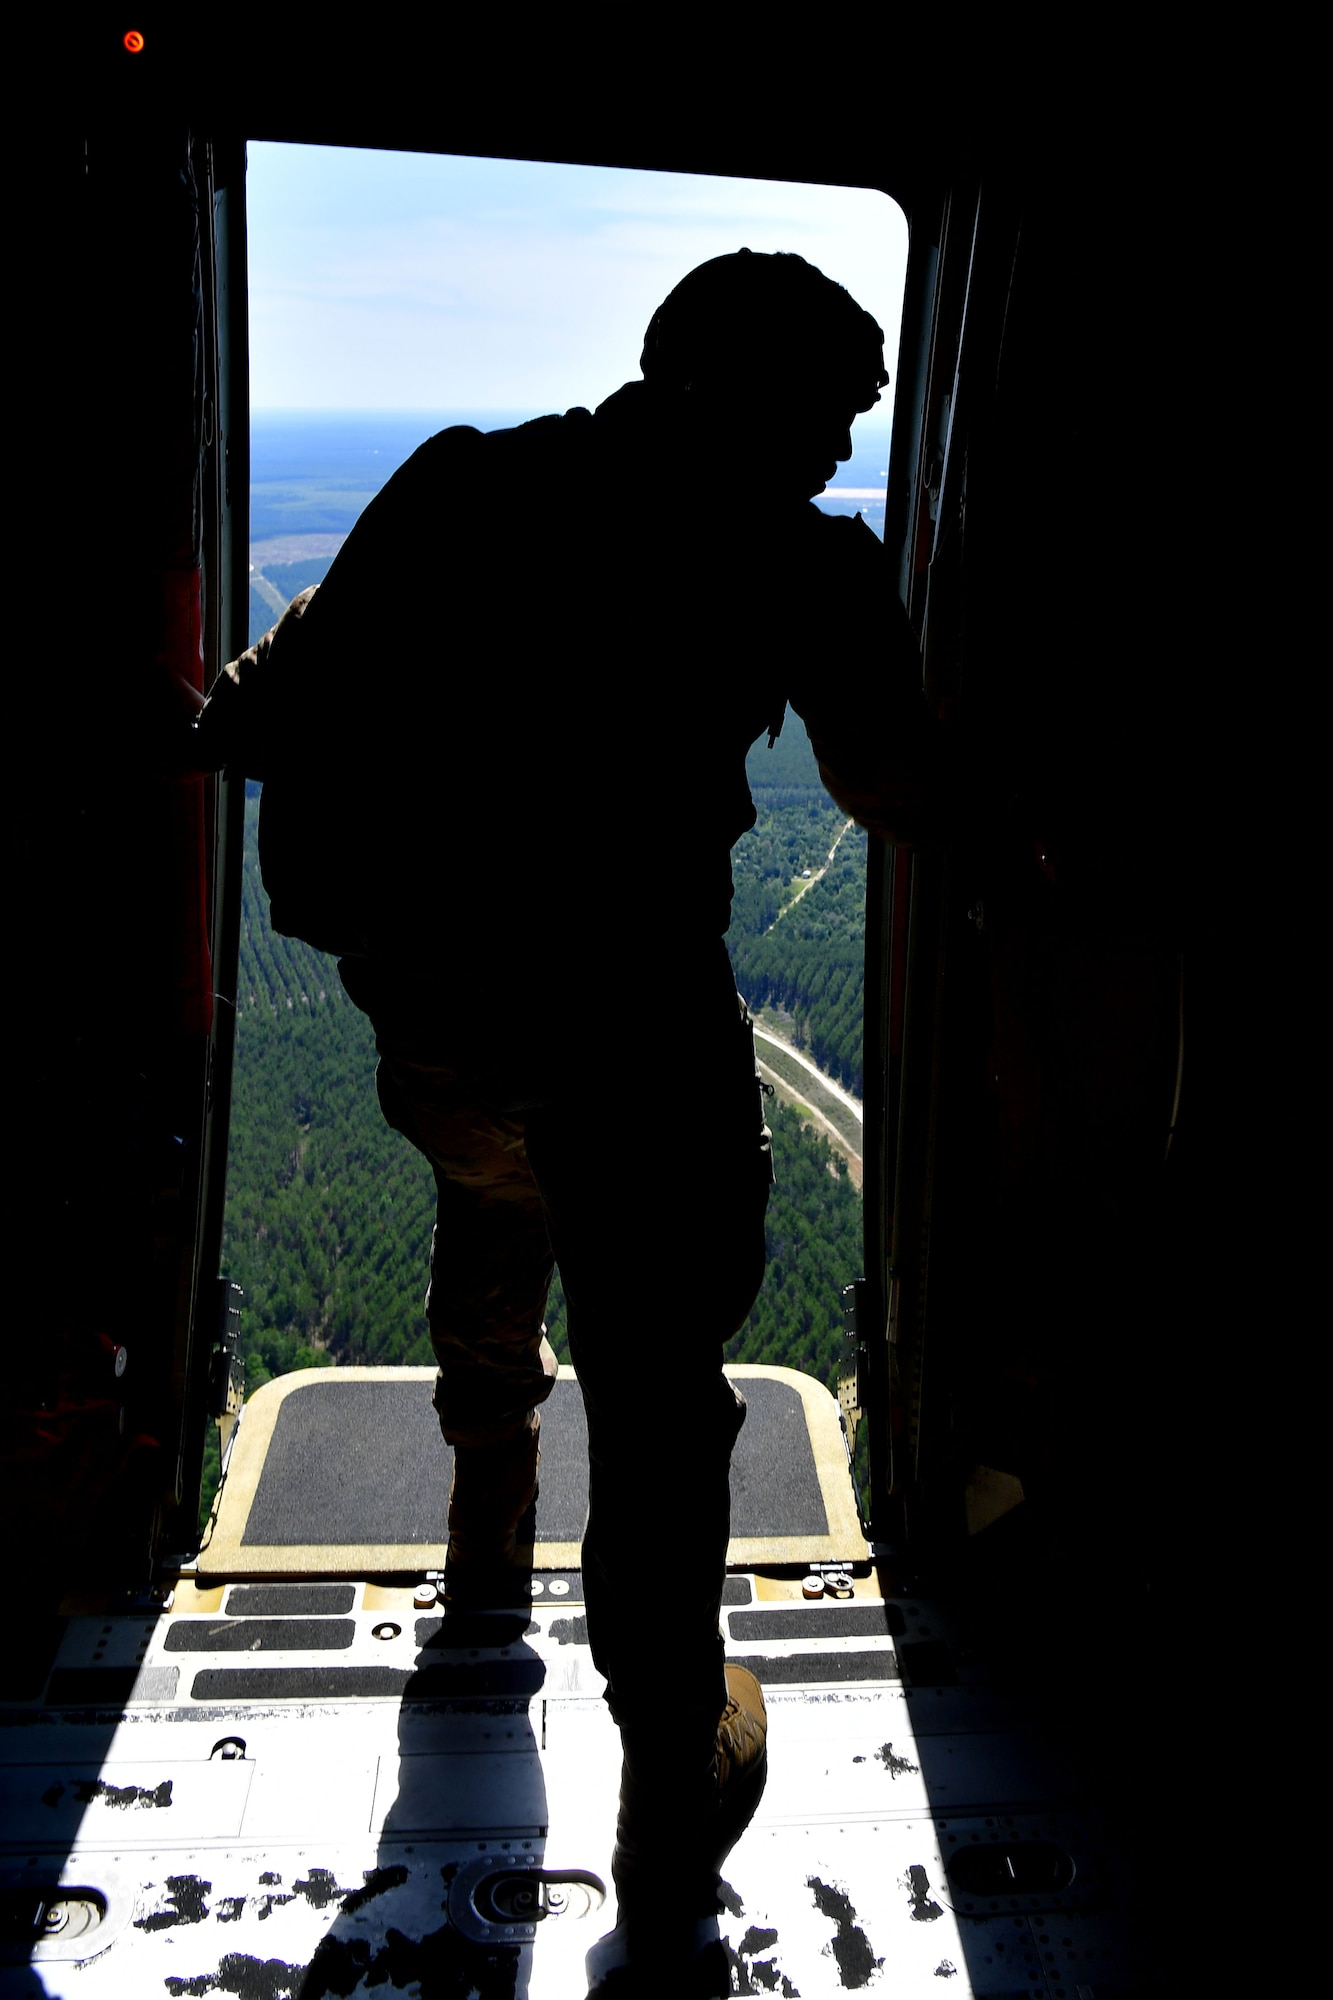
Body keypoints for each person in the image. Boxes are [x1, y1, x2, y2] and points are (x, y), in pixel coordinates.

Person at [194, 248, 936, 1990]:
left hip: (441, 1027)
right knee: (665, 1408)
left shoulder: (468, 476)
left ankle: (476, 1573)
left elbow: (270, 708)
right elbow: (904, 789)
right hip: (638, 1048)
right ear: (750, 394)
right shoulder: (795, 558)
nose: (840, 450)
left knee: (493, 1219)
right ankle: (670, 1772)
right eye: (832, 410)